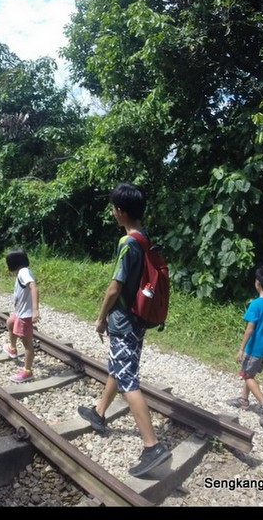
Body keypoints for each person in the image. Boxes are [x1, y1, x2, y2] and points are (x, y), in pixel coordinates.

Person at [77, 182, 171, 478]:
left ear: (120, 211)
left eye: (113, 208)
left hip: (124, 320)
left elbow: (115, 287)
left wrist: (101, 317)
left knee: (128, 378)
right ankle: (99, 412)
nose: (112, 212)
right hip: (140, 318)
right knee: (120, 365)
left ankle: (152, 446)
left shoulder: (128, 243)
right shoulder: (145, 238)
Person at [230, 265, 263, 422]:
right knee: (250, 372)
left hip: (254, 348)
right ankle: (243, 400)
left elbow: (250, 329)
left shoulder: (256, 304)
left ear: (258, 283)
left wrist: (241, 349)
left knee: (247, 376)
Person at [4, 249, 40, 383]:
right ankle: (12, 348)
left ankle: (27, 371)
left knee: (28, 345)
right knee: (10, 322)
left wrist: (35, 310)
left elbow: (34, 287)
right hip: (19, 313)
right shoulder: (23, 272)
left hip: (25, 315)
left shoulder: (24, 272)